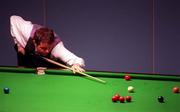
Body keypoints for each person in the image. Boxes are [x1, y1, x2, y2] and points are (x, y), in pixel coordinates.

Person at [10, 15, 85, 73]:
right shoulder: (26, 29)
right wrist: (18, 44)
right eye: (43, 48)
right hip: (29, 57)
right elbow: (13, 18)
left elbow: (76, 59)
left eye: (49, 47)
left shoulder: (57, 48)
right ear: (35, 42)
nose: (47, 51)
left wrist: (76, 65)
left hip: (52, 66)